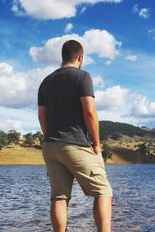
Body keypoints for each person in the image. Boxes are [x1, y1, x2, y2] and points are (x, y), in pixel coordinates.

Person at [37, 39, 113, 232]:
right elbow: (90, 112)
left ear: (63, 57)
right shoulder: (82, 77)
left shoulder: (46, 82)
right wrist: (97, 145)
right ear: (80, 57)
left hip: (50, 146)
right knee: (103, 191)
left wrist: (50, 138)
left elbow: (41, 116)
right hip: (74, 144)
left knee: (59, 196)